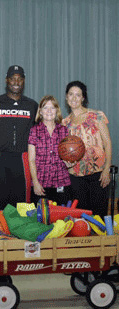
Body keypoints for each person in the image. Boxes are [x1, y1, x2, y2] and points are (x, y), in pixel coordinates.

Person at [0, 65, 38, 213]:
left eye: (19, 79)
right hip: (0, 157)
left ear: (24, 81)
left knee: (23, 205)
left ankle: (21, 235)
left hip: (23, 158)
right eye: (12, 79)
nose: (16, 82)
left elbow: (39, 133)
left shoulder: (32, 105)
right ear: (6, 80)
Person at [62, 81, 112, 217]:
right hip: (75, 176)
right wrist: (66, 162)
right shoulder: (65, 123)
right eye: (71, 94)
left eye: (78, 95)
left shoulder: (96, 116)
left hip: (98, 174)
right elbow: (63, 150)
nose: (74, 98)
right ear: (66, 97)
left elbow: (107, 143)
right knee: (82, 217)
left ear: (83, 98)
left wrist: (107, 169)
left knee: (98, 216)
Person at [28, 95, 71, 205]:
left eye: (52, 107)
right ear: (40, 111)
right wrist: (35, 183)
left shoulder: (64, 131)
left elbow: (69, 156)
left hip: (61, 181)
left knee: (61, 220)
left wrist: (70, 162)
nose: (49, 111)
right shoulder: (34, 131)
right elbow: (31, 160)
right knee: (41, 220)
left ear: (57, 111)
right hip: (41, 183)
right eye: (45, 107)